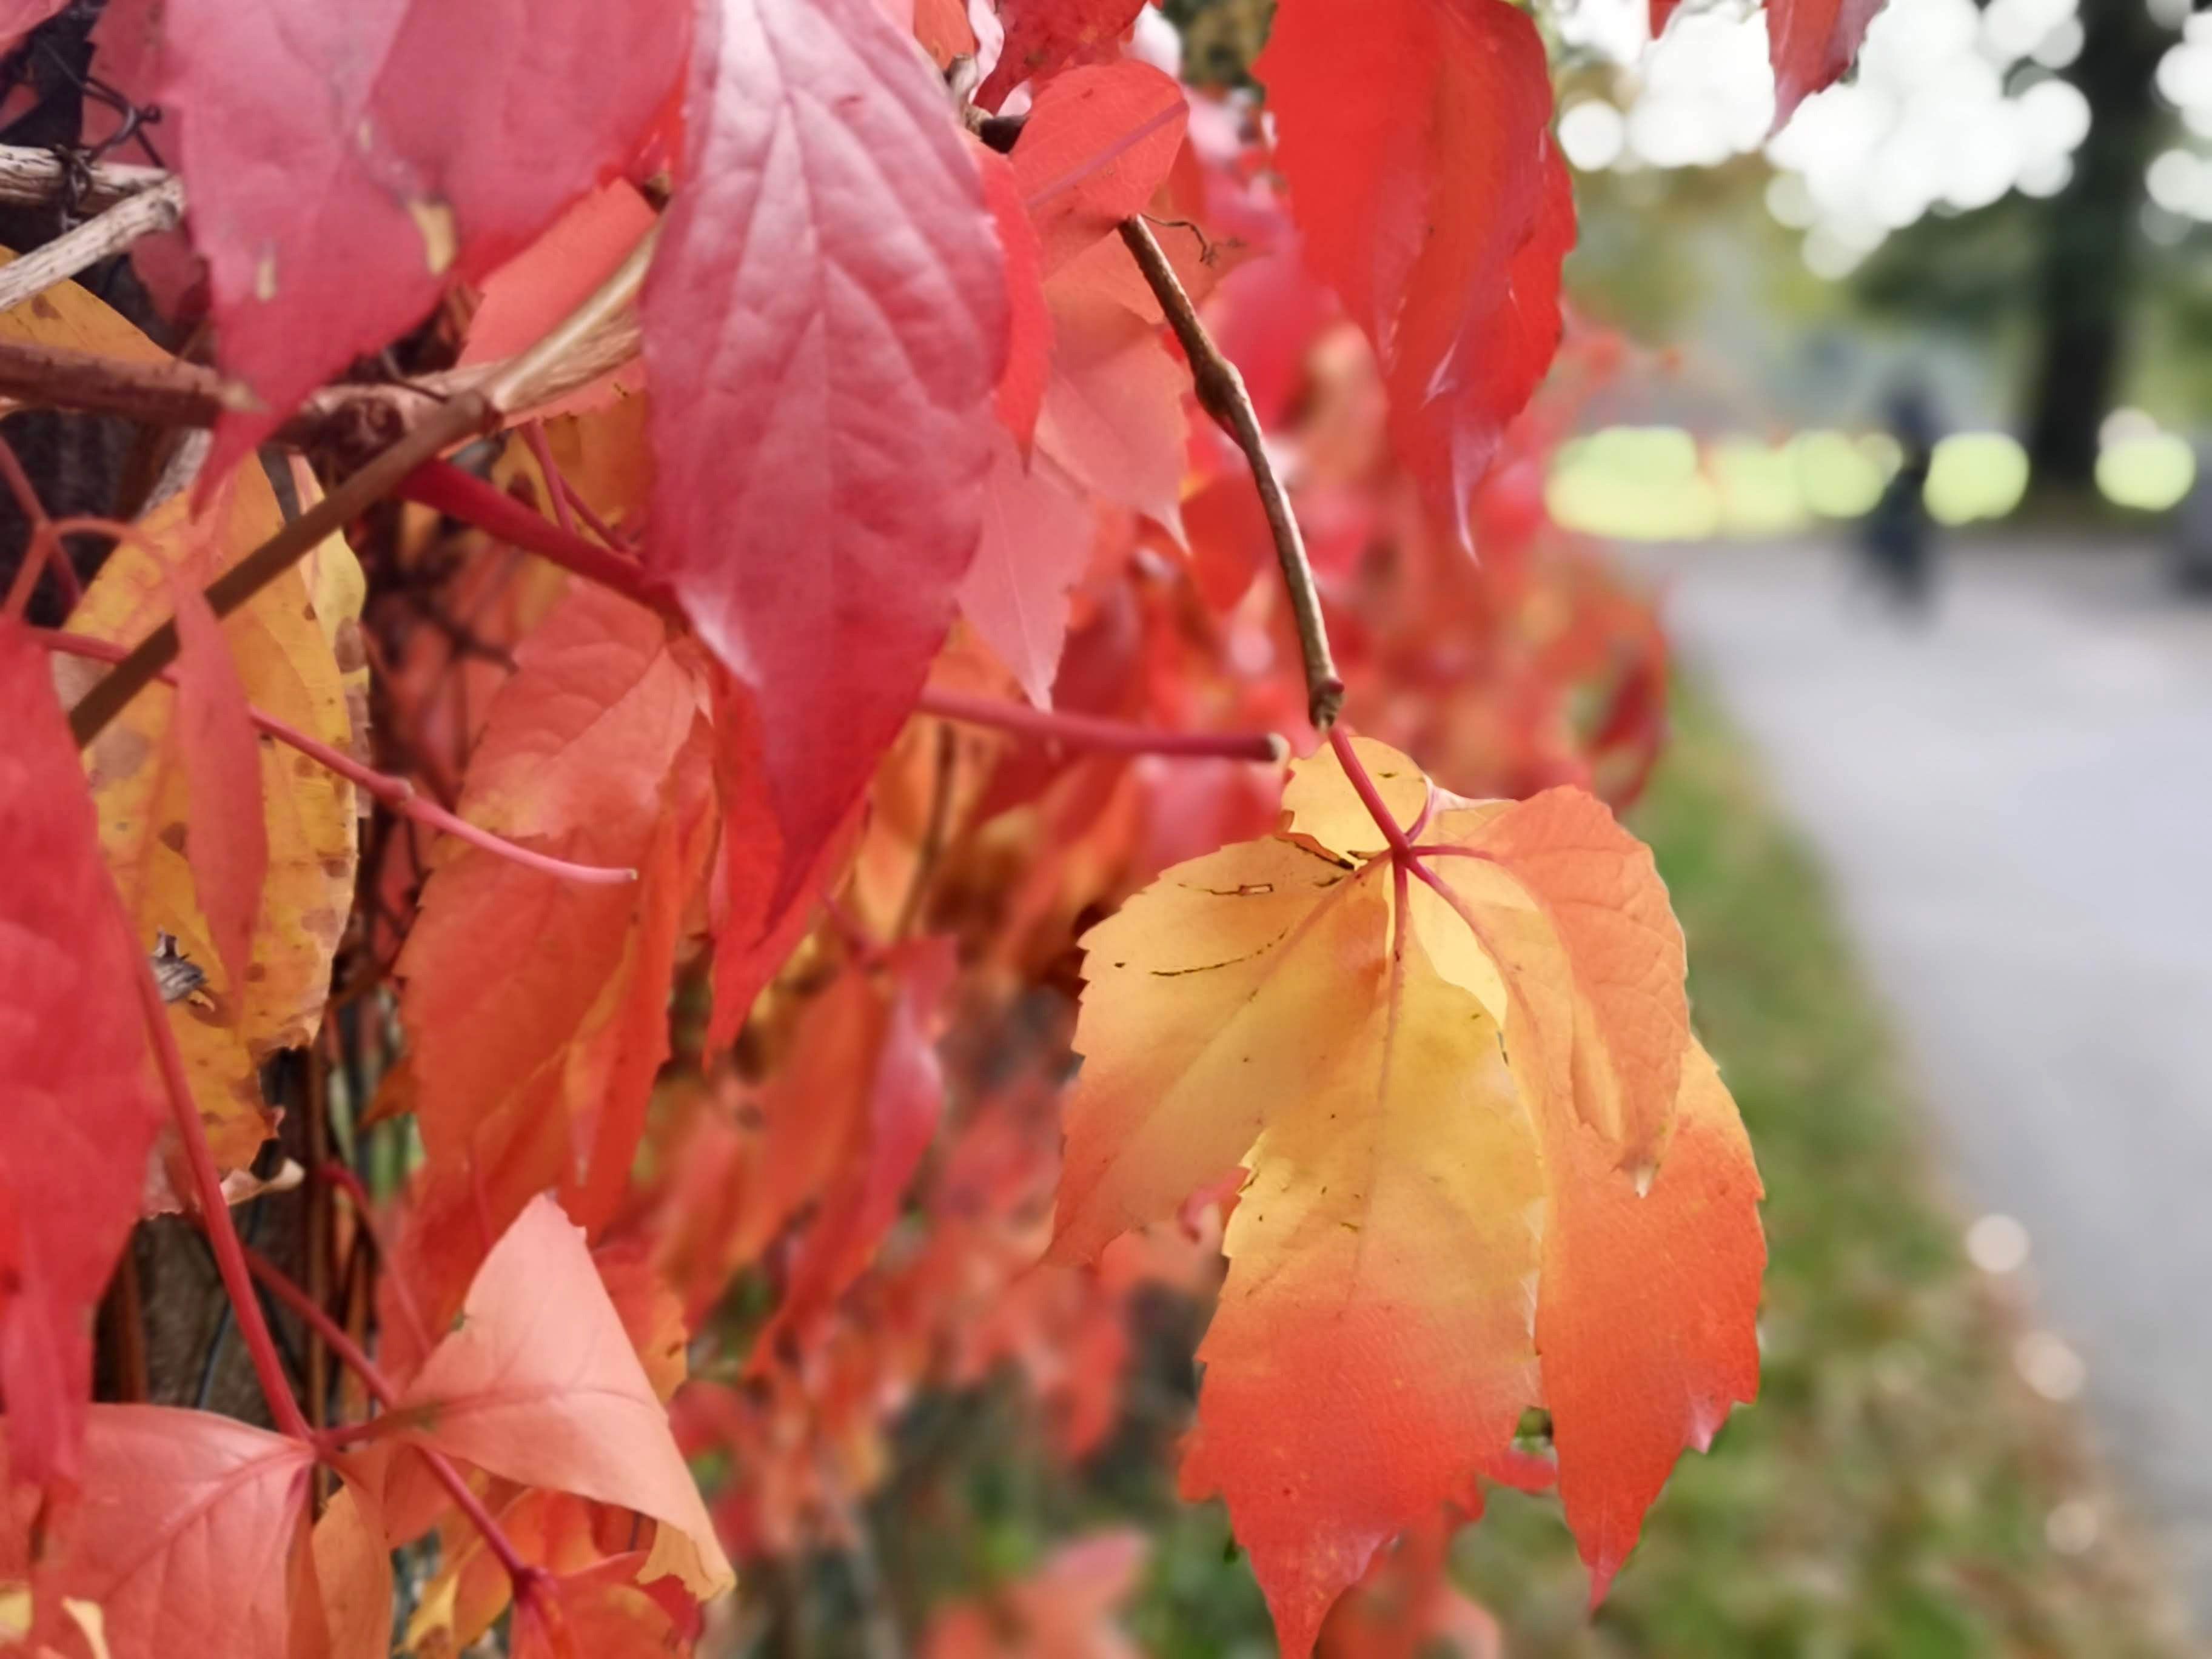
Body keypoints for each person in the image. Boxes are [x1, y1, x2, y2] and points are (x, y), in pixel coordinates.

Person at [1857, 381, 1940, 615]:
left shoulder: (1910, 433)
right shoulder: (1919, 429)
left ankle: (1899, 591)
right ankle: (1900, 591)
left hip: (1904, 500)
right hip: (1905, 500)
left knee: (1890, 544)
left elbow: (1915, 468)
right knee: (1895, 545)